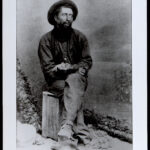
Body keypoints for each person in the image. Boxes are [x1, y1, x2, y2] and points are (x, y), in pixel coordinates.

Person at [38, 0, 92, 145]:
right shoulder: (45, 40)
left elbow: (86, 62)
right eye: (64, 15)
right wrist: (58, 69)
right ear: (56, 18)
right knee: (72, 90)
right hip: (56, 82)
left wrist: (70, 67)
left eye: (71, 15)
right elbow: (48, 71)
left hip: (78, 80)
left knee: (74, 80)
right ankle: (82, 134)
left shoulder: (80, 37)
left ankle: (67, 130)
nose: (69, 18)